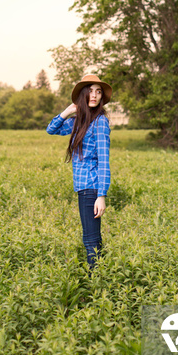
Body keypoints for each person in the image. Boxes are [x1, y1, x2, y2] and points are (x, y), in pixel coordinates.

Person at [46, 74, 112, 271]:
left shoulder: (100, 122)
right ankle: (98, 275)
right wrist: (68, 110)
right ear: (83, 94)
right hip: (84, 187)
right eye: (90, 91)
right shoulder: (79, 121)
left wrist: (101, 195)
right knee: (92, 237)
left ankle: (95, 281)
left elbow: (104, 161)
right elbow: (51, 129)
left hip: (91, 187)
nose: (94, 95)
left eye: (98, 92)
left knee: (90, 239)